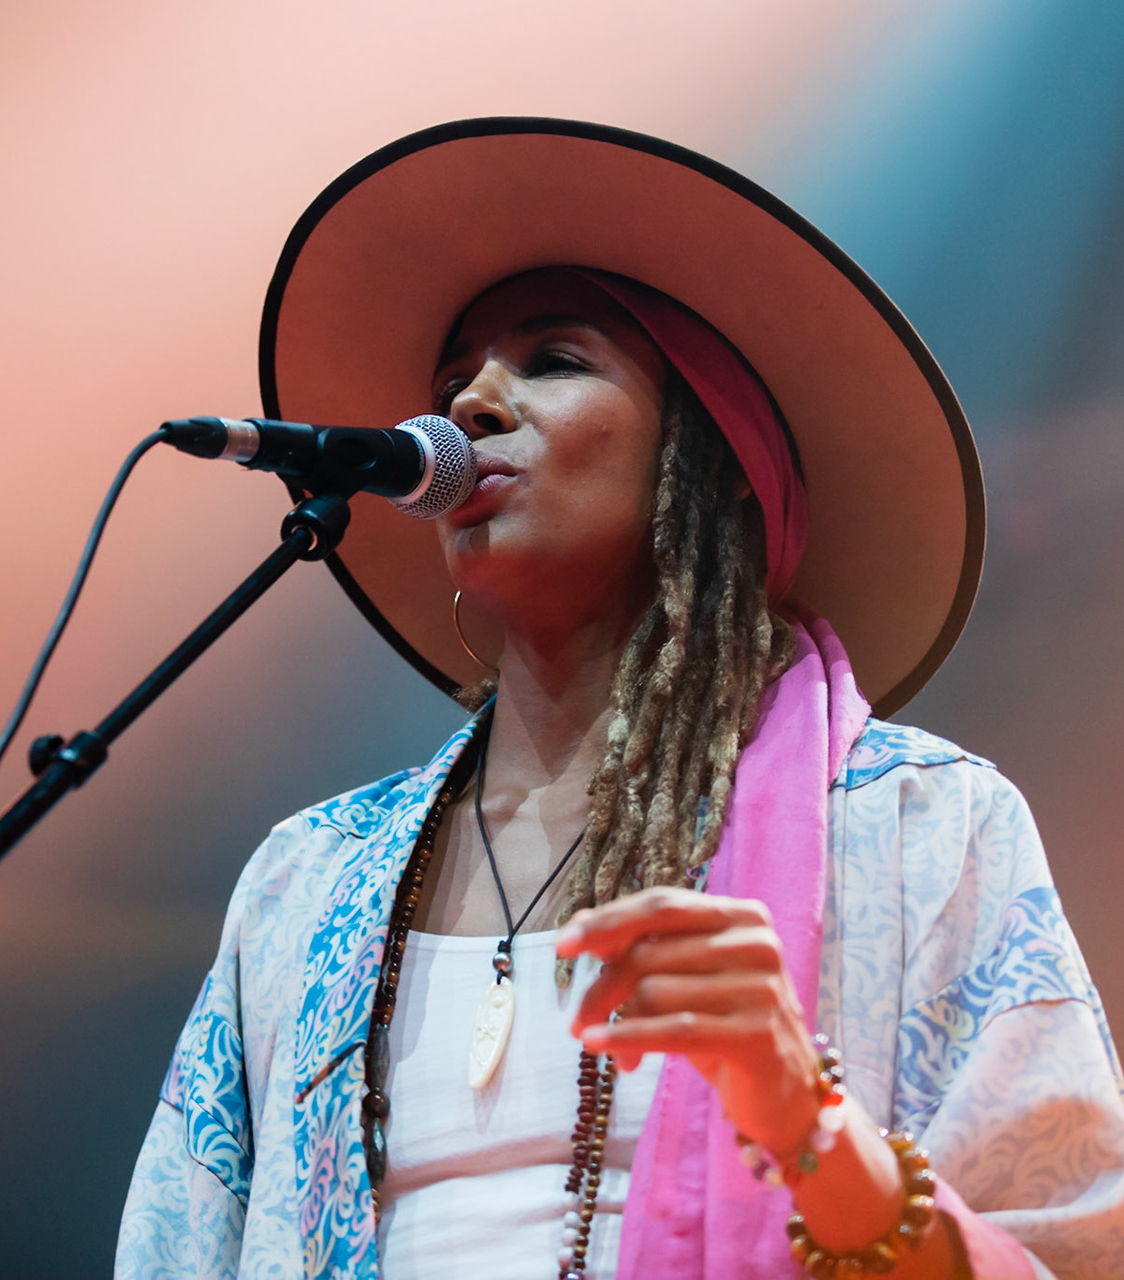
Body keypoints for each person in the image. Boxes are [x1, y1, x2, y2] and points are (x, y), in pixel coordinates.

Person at [114, 120, 1124, 1280]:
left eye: (553, 358)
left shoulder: (919, 827)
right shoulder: (304, 882)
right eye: (452, 382)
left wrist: (808, 1123)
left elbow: (1072, 1255)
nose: (472, 402)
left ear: (714, 455)